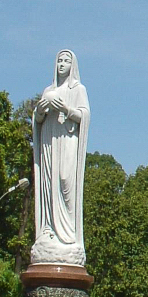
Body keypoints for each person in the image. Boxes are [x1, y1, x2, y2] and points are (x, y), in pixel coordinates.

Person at [31, 49, 91, 267]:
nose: (62, 64)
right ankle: (49, 229)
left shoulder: (78, 89)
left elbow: (84, 116)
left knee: (66, 180)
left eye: (66, 61)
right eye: (59, 60)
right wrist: (40, 110)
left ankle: (68, 234)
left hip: (66, 141)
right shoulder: (49, 90)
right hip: (49, 140)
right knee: (49, 183)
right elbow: (37, 119)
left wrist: (66, 107)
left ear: (73, 65)